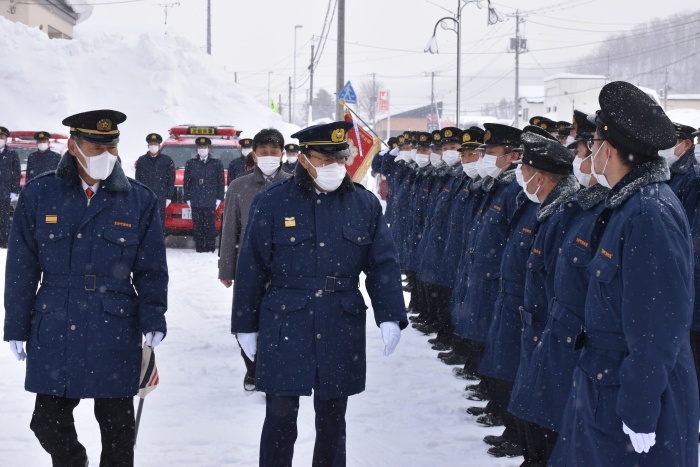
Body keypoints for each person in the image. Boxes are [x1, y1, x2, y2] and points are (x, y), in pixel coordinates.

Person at [231, 121, 407, 467]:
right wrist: (244, 324)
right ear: (305, 159)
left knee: (332, 420)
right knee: (280, 416)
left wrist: (390, 315)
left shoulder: (364, 204)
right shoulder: (273, 201)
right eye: (325, 160)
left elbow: (383, 264)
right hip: (285, 321)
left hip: (340, 322)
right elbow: (251, 266)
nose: (334, 168)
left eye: (340, 160)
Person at [3, 109, 168, 467]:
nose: (106, 157)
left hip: (114, 322)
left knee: (118, 432)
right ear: (72, 146)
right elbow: (21, 267)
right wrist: (16, 324)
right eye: (96, 148)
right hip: (57, 320)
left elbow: (152, 268)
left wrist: (154, 315)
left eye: (112, 148)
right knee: (46, 422)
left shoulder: (138, 199)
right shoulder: (40, 194)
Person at [550, 81, 699, 466]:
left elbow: (657, 326)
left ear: (610, 149)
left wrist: (640, 409)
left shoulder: (649, 214)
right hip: (606, 390)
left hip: (629, 405)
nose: (589, 153)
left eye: (594, 144)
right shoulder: (630, 204)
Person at [218, 128, 291, 391]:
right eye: (264, 152)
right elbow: (230, 231)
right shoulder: (239, 186)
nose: (269, 157)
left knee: (281, 321)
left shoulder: (294, 185)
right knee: (246, 319)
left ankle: (274, 370)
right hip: (248, 267)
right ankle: (252, 370)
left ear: (282, 155)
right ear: (255, 155)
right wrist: (226, 267)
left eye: (274, 152)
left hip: (285, 268)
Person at [184, 136, 225, 252]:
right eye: (200, 147)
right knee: (197, 225)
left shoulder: (216, 163)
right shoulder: (191, 163)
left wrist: (219, 198)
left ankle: (210, 246)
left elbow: (220, 182)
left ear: (209, 149)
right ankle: (200, 247)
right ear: (197, 149)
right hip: (196, 199)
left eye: (205, 147)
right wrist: (187, 197)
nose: (202, 149)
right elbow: (186, 182)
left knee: (210, 225)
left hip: (210, 199)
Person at [135, 132, 175, 230]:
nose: (153, 147)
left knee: (159, 223)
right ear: (148, 145)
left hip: (160, 197)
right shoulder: (142, 160)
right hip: (145, 196)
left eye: (155, 145)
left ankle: (158, 243)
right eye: (151, 144)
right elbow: (138, 180)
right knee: (145, 221)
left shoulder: (167, 160)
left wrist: (169, 197)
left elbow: (171, 180)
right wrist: (139, 195)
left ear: (159, 146)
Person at [0, 125, 20, 248]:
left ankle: (3, 242)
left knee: (4, 220)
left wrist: (14, 191)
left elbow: (16, 173)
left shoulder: (12, 154)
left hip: (4, 192)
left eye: (2, 137)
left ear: (6, 139)